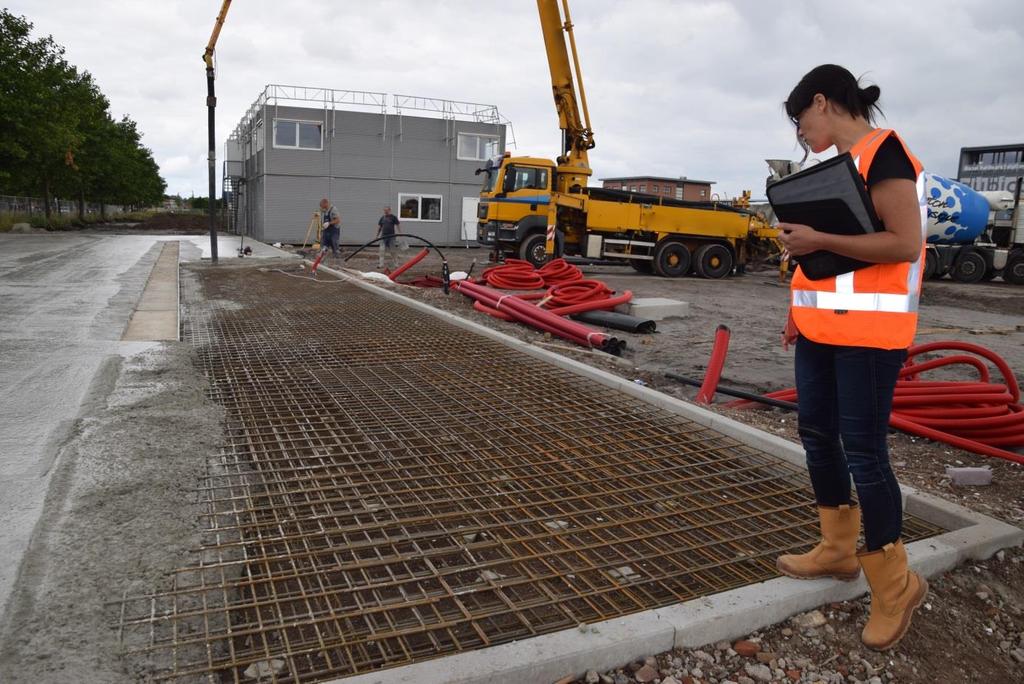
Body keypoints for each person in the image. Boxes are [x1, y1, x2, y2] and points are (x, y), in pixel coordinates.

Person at [774, 65, 928, 652]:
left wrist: (819, 240)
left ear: (823, 102)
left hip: (870, 335)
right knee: (817, 433)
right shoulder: (832, 169)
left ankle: (895, 585)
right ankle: (838, 550)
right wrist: (798, 302)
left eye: (800, 120)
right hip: (820, 328)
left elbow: (904, 243)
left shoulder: (884, 155)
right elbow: (828, 261)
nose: (800, 133)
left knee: (864, 449)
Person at [376, 206, 401, 270]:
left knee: (393, 251)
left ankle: (396, 264)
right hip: (383, 237)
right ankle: (381, 264)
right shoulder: (382, 218)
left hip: (391, 237)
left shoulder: (393, 217)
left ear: (390, 210)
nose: (385, 211)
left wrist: (400, 232)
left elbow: (397, 225)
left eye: (386, 210)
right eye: (384, 210)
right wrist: (377, 235)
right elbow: (379, 227)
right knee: (382, 251)